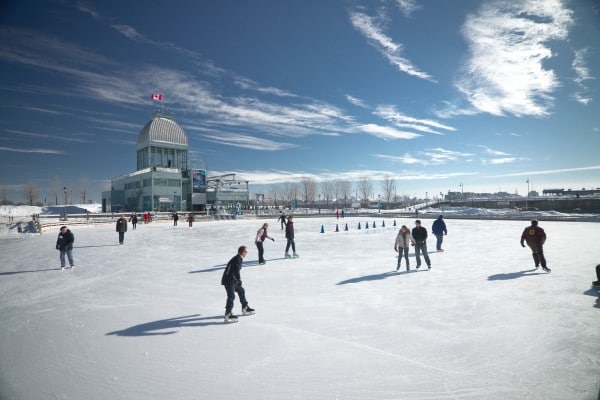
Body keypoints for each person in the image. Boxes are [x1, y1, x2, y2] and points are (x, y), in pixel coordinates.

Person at [221, 246, 255, 323]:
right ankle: (228, 314)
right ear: (242, 252)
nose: (246, 253)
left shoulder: (237, 258)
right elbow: (235, 271)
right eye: (246, 251)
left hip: (231, 279)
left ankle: (245, 307)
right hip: (228, 280)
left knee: (241, 290)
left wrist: (237, 280)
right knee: (231, 296)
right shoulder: (237, 259)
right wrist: (238, 280)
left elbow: (234, 271)